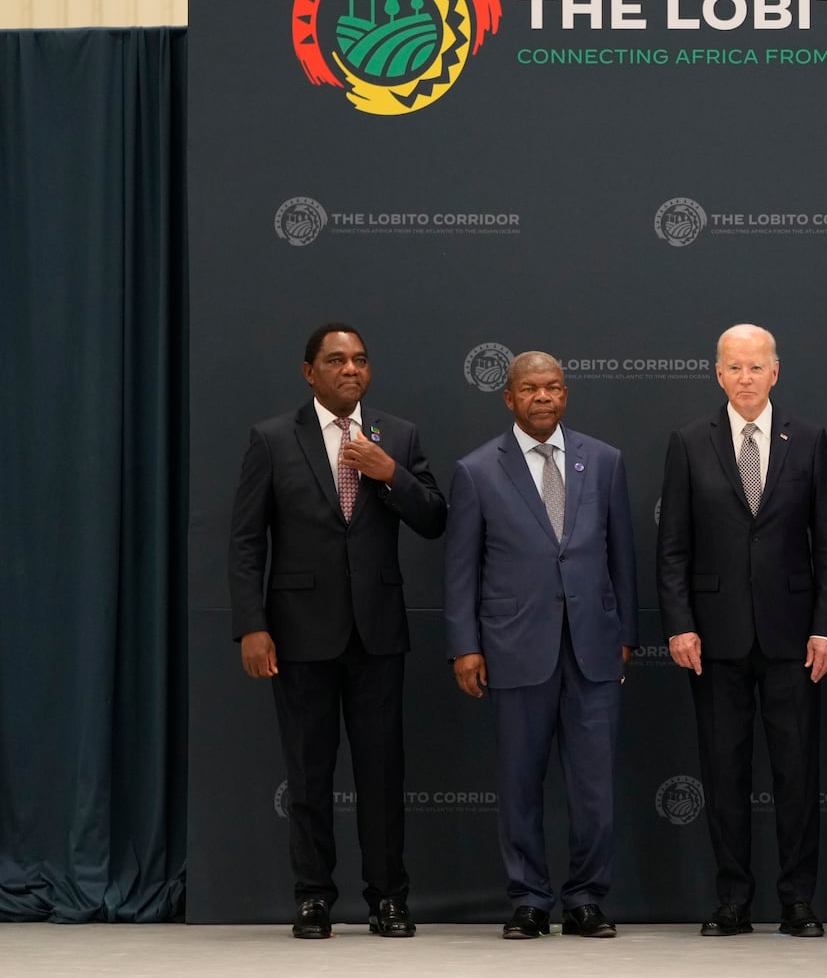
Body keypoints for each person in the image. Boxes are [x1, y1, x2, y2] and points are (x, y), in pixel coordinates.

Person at [228, 322, 447, 939]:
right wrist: (253, 625)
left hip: (377, 635)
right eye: (335, 360)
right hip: (297, 635)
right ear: (309, 371)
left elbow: (434, 518)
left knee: (382, 774)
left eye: (359, 360)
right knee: (308, 770)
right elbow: (246, 542)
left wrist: (389, 472)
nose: (350, 369)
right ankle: (313, 897)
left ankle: (388, 899)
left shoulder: (395, 436)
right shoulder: (272, 439)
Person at [657, 323, 827, 938]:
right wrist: (680, 627)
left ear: (775, 371)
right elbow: (673, 551)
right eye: (733, 368)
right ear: (717, 374)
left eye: (755, 367)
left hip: (794, 639)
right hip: (714, 640)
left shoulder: (809, 438)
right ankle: (733, 900)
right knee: (724, 773)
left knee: (797, 776)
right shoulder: (688, 441)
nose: (744, 378)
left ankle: (797, 902)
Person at [442, 352, 637, 940]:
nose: (543, 398)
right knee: (520, 783)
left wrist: (625, 632)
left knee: (594, 788)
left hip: (593, 648)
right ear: (509, 399)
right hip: (513, 648)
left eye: (553, 387)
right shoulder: (477, 470)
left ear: (566, 394)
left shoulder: (603, 461)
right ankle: (528, 898)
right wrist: (464, 646)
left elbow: (621, 554)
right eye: (530, 389)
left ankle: (584, 898)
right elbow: (460, 571)